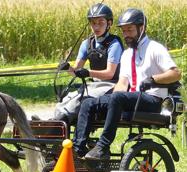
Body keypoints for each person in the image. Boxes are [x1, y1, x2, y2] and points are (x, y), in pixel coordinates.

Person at [73, 8, 181, 160]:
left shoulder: (155, 48)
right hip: (132, 98)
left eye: (129, 30)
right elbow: (122, 83)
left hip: (153, 100)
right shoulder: (127, 54)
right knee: (89, 103)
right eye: (123, 31)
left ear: (141, 27)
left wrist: (153, 80)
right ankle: (78, 150)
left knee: (118, 98)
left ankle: (103, 147)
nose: (126, 35)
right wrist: (106, 100)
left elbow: (176, 73)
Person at [40, 3, 124, 123]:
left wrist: (88, 73)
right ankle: (52, 125)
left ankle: (56, 124)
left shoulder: (113, 44)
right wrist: (67, 67)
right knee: (67, 98)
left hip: (112, 85)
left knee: (80, 97)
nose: (96, 27)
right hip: (95, 85)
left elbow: (110, 73)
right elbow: (75, 71)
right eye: (93, 23)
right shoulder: (86, 44)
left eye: (101, 22)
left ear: (109, 23)